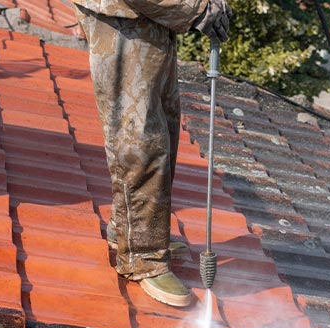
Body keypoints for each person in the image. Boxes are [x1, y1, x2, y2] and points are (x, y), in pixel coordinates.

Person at [73, 0, 232, 307]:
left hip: (151, 16)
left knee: (165, 125)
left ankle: (131, 230)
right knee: (141, 137)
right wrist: (195, 10)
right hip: (123, 17)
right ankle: (143, 257)